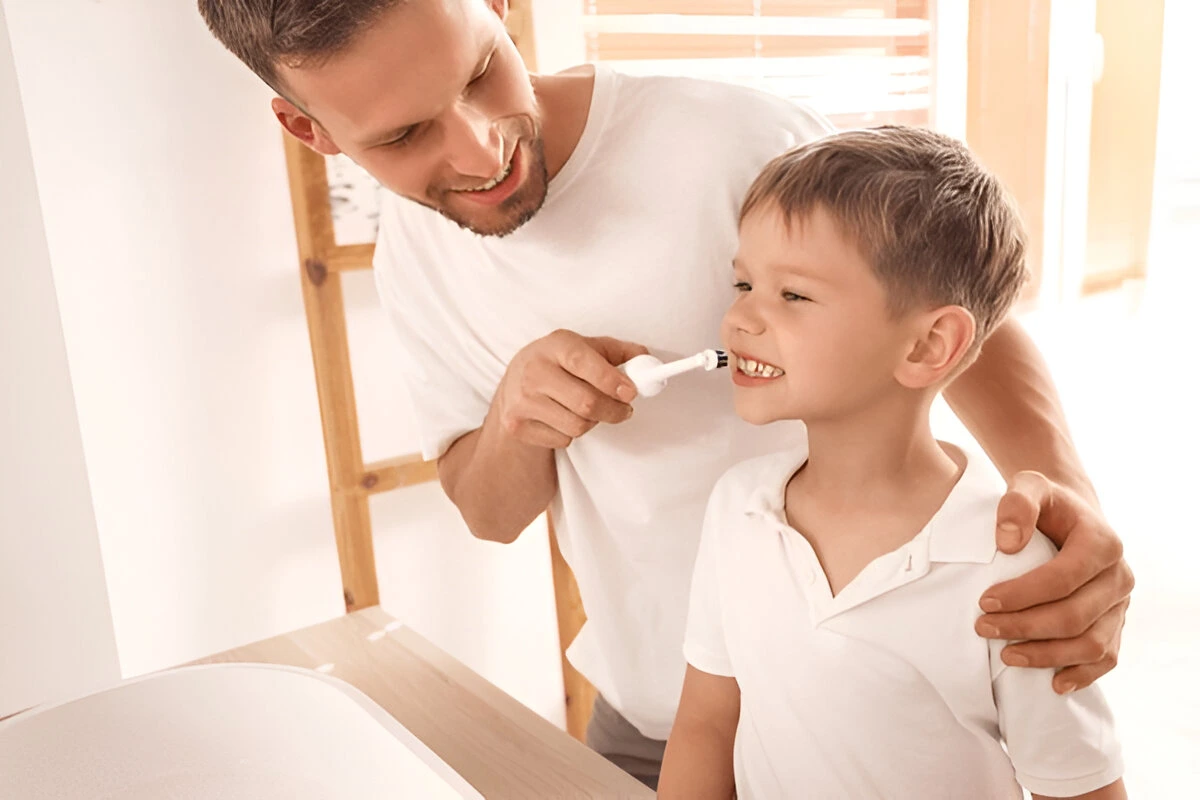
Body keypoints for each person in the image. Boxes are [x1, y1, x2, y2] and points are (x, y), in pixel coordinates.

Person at [198, 0, 1134, 788]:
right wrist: (518, 421)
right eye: (405, 135)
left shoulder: (731, 139)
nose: (483, 150)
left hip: (883, 717)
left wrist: (1069, 522)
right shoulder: (414, 259)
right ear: (310, 132)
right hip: (656, 720)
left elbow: (955, 303)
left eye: (482, 72)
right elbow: (486, 511)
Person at [658, 126, 1126, 799]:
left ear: (929, 344)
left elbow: (1080, 788)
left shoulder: (1013, 570)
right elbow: (705, 724)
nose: (739, 320)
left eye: (793, 295)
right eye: (743, 283)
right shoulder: (737, 508)